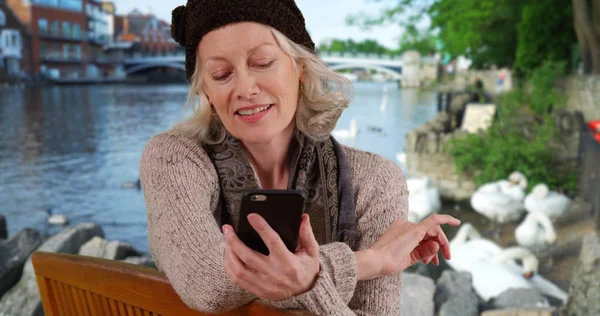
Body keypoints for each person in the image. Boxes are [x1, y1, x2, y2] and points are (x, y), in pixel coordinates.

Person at [139, 0, 460, 315]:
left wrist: (310, 280)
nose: (245, 88)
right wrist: (369, 261)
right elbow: (205, 283)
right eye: (222, 74)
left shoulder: (374, 180)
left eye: (262, 63)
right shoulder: (173, 158)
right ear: (207, 90)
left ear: (301, 69)